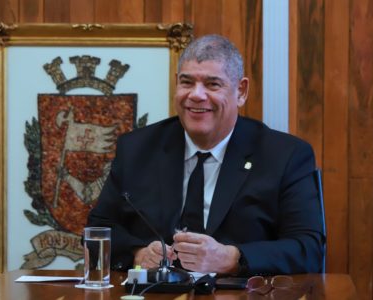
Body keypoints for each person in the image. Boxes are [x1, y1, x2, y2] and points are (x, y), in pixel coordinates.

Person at [86, 34, 324, 276]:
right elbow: (98, 231)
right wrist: (138, 254)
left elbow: (308, 249)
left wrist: (234, 258)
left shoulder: (285, 156)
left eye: (212, 84)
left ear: (241, 91)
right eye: (187, 83)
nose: (196, 95)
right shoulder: (137, 149)